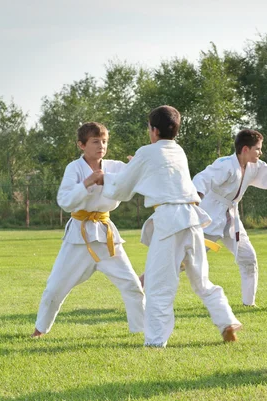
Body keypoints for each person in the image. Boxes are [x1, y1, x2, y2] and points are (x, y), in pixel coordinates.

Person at [101, 105, 242, 347]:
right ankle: (226, 320)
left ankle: (156, 341)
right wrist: (141, 165)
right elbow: (163, 175)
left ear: (153, 130)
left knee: (158, 285)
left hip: (169, 221)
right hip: (193, 220)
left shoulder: (147, 152)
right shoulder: (178, 151)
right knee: (202, 281)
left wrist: (103, 177)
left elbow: (121, 190)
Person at [32, 122, 145, 338]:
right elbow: (64, 201)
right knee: (55, 288)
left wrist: (137, 167)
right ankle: (39, 330)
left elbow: (135, 180)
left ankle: (141, 331)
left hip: (106, 235)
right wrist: (86, 184)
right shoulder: (74, 168)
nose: (101, 145)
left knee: (132, 285)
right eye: (95, 141)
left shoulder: (115, 166)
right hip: (79, 236)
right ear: (81, 145)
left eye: (104, 141)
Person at [192, 129, 267, 307]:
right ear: (245, 149)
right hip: (209, 216)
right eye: (258, 149)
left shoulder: (254, 166)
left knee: (248, 258)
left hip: (231, 218)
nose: (260, 153)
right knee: (186, 257)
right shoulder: (225, 164)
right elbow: (203, 178)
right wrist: (194, 200)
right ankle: (145, 282)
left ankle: (249, 303)